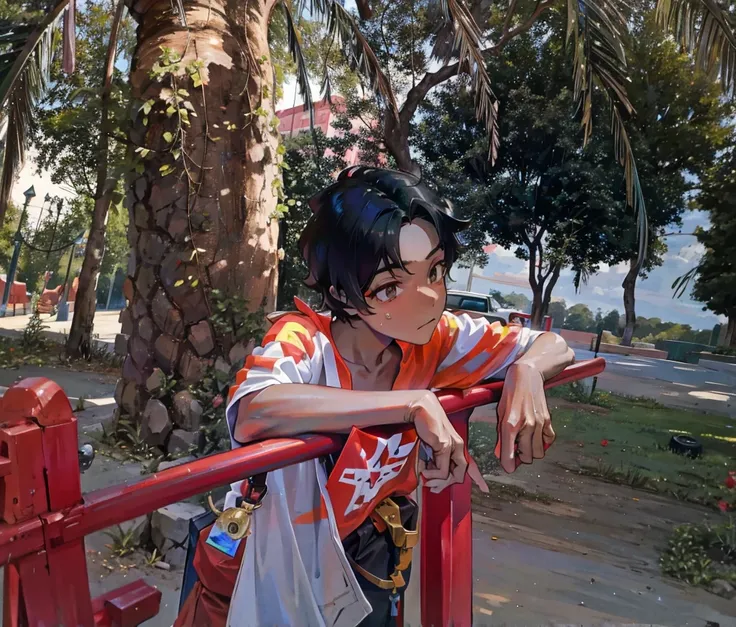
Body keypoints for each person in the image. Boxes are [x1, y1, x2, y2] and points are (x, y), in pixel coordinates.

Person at [176, 166, 574, 627]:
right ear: (341, 293)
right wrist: (409, 404)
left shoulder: (434, 339)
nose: (426, 297)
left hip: (368, 553)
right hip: (276, 552)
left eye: (435, 271)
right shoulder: (304, 338)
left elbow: (555, 346)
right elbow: (253, 409)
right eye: (390, 286)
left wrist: (526, 371)